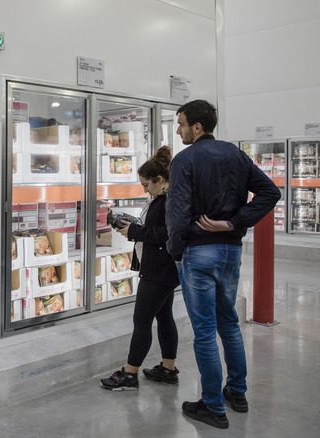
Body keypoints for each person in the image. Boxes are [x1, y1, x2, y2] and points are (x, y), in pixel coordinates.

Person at [166, 100, 280, 429]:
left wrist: (175, 251)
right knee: (229, 324)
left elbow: (177, 212)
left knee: (203, 333)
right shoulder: (236, 155)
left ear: (197, 127)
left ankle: (213, 406)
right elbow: (270, 192)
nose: (178, 130)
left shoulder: (184, 160)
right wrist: (232, 224)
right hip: (231, 253)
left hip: (198, 254)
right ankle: (238, 393)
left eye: (181, 124)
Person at [100, 146, 181, 391]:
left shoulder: (169, 200)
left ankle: (129, 374)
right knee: (164, 316)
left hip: (158, 270)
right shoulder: (164, 197)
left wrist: (134, 231)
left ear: (159, 180)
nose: (144, 189)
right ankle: (168, 369)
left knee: (142, 321)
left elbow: (167, 233)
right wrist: (134, 227)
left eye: (146, 184)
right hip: (166, 269)